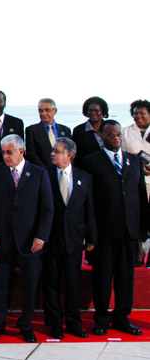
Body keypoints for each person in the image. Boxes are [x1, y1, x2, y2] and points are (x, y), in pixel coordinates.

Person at [82, 120, 149, 336]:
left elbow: (141, 198)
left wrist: (141, 234)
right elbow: (88, 202)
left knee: (125, 279)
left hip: (129, 233)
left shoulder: (134, 161)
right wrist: (90, 235)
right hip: (104, 234)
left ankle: (122, 317)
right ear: (102, 137)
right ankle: (101, 318)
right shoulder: (90, 162)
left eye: (119, 133)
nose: (117, 137)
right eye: (111, 134)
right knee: (102, 278)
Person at [0, 134, 53, 343]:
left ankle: (26, 325)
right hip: (4, 241)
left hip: (30, 243)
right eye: (3, 152)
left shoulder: (39, 173)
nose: (6, 156)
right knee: (1, 285)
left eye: (9, 152)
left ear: (21, 151)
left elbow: (47, 209)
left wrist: (41, 237)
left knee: (30, 286)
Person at [43, 138, 97, 339]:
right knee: (52, 283)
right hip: (51, 239)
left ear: (69, 155)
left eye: (57, 151)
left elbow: (89, 209)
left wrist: (91, 238)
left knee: (73, 283)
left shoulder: (84, 177)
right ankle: (55, 323)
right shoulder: (45, 175)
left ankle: (74, 323)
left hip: (74, 240)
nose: (53, 154)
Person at [121, 100, 150, 266]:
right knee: (138, 219)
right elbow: (122, 157)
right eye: (135, 114)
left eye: (142, 113)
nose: (138, 117)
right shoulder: (125, 132)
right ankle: (138, 253)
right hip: (135, 182)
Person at [25, 98, 72, 168]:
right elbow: (31, 155)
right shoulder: (31, 130)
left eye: (47, 110)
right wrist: (45, 171)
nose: (43, 113)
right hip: (42, 171)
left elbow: (70, 151)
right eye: (41, 111)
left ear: (55, 111)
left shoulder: (65, 130)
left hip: (62, 170)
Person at [72, 97, 109, 166]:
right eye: (90, 110)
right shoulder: (78, 131)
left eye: (96, 110)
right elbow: (76, 155)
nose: (93, 113)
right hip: (87, 169)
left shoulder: (109, 128)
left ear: (102, 112)